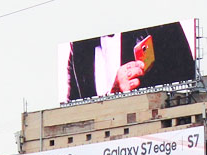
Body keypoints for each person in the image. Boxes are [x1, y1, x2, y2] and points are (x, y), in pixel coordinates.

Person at [64, 21, 197, 103]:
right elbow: (75, 117)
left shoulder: (161, 27)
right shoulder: (78, 46)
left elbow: (190, 93)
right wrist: (113, 96)